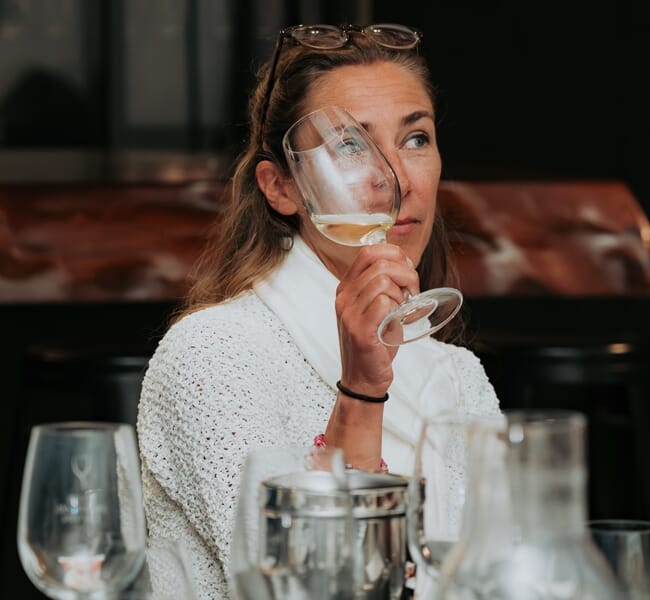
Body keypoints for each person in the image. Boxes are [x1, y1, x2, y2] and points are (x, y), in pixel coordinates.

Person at [136, 23, 500, 599]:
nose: (395, 180)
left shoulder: (459, 376)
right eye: (350, 146)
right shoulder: (213, 356)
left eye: (415, 139)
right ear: (281, 188)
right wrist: (361, 389)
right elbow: (306, 587)